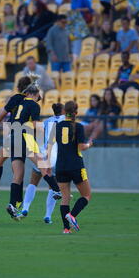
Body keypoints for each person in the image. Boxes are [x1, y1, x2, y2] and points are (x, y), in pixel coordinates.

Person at [6, 77, 61, 220]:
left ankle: (12, 204)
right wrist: (48, 131)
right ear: (35, 94)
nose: (39, 101)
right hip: (25, 137)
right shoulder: (33, 105)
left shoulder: (18, 104)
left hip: (13, 138)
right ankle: (57, 189)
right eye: (39, 98)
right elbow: (37, 125)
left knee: (17, 175)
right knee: (42, 165)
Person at [0, 76, 34, 202]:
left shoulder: (16, 98)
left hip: (14, 135)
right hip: (24, 135)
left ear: (18, 87)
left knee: (1, 162)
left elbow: (2, 114)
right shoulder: (32, 102)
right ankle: (18, 200)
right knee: (17, 170)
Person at [19, 103, 65, 223]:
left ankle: (25, 208)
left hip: (44, 153)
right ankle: (48, 216)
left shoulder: (47, 121)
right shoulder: (66, 120)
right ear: (63, 111)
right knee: (53, 186)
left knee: (33, 181)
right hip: (57, 156)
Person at [55, 100, 92, 233]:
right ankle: (72, 215)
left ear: (64, 112)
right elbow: (81, 147)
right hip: (76, 165)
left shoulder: (58, 126)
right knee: (86, 195)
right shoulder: (79, 126)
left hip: (60, 166)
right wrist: (89, 144)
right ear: (76, 112)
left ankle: (66, 229)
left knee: (65, 198)